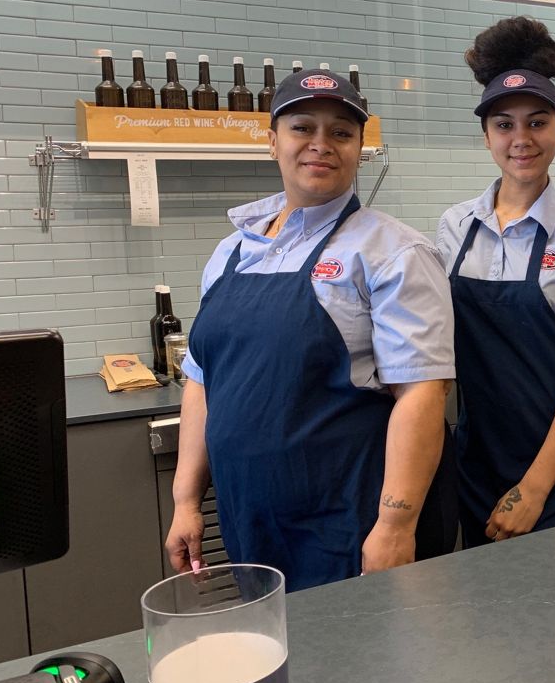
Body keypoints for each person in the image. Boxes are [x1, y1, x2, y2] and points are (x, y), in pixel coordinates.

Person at [165, 69, 458, 592]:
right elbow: (203, 380)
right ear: (272, 140)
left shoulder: (393, 252)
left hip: (349, 519)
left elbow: (423, 393)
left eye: (341, 133)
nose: (321, 145)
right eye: (303, 128)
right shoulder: (232, 251)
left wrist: (395, 526)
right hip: (251, 519)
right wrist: (187, 500)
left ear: (359, 149)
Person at [437, 17, 555, 545]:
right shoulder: (454, 228)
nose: (522, 139)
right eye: (504, 124)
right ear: (486, 135)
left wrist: (534, 489)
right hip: (478, 466)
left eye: (537, 122)